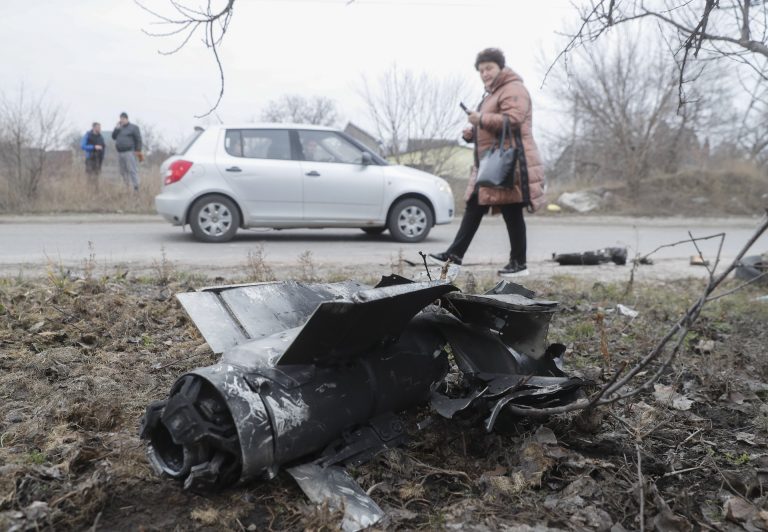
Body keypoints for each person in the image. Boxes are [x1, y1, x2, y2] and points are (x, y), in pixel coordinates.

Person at [430, 48, 545, 277]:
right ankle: (454, 256)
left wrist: (480, 118)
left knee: (512, 211)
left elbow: (513, 120)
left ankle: (519, 264)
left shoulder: (513, 89)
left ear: (501, 67)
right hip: (492, 163)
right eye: (481, 70)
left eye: (489, 68)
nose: (484, 73)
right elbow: (490, 125)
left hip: (510, 163)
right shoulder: (491, 94)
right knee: (474, 204)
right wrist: (473, 131)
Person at [112, 112, 143, 192]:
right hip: (120, 152)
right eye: (120, 119)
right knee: (123, 171)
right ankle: (127, 187)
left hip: (129, 152)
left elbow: (138, 139)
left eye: (123, 119)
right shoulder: (119, 128)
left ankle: (136, 187)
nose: (121, 120)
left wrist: (138, 150)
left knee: (132, 170)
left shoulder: (133, 128)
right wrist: (116, 128)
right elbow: (113, 137)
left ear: (126, 119)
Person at [80, 122, 105, 187]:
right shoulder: (88, 135)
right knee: (89, 177)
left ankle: (96, 194)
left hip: (98, 159)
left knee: (96, 178)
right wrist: (94, 147)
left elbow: (103, 147)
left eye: (100, 128)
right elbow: (82, 146)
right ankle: (89, 193)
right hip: (90, 159)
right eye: (98, 127)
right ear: (94, 128)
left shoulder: (101, 137)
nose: (100, 129)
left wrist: (102, 158)